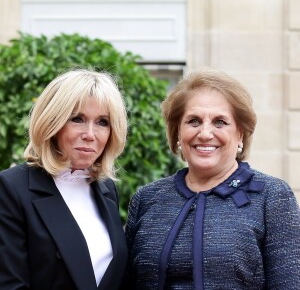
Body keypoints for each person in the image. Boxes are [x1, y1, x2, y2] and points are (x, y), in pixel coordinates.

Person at [123, 69, 300, 289]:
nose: (205, 133)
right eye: (194, 121)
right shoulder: (147, 199)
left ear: (240, 134)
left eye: (220, 122)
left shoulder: (271, 197)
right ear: (177, 132)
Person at [0, 68, 128, 290]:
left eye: (102, 122)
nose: (90, 134)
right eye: (77, 119)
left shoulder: (106, 189)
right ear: (52, 123)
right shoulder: (11, 188)